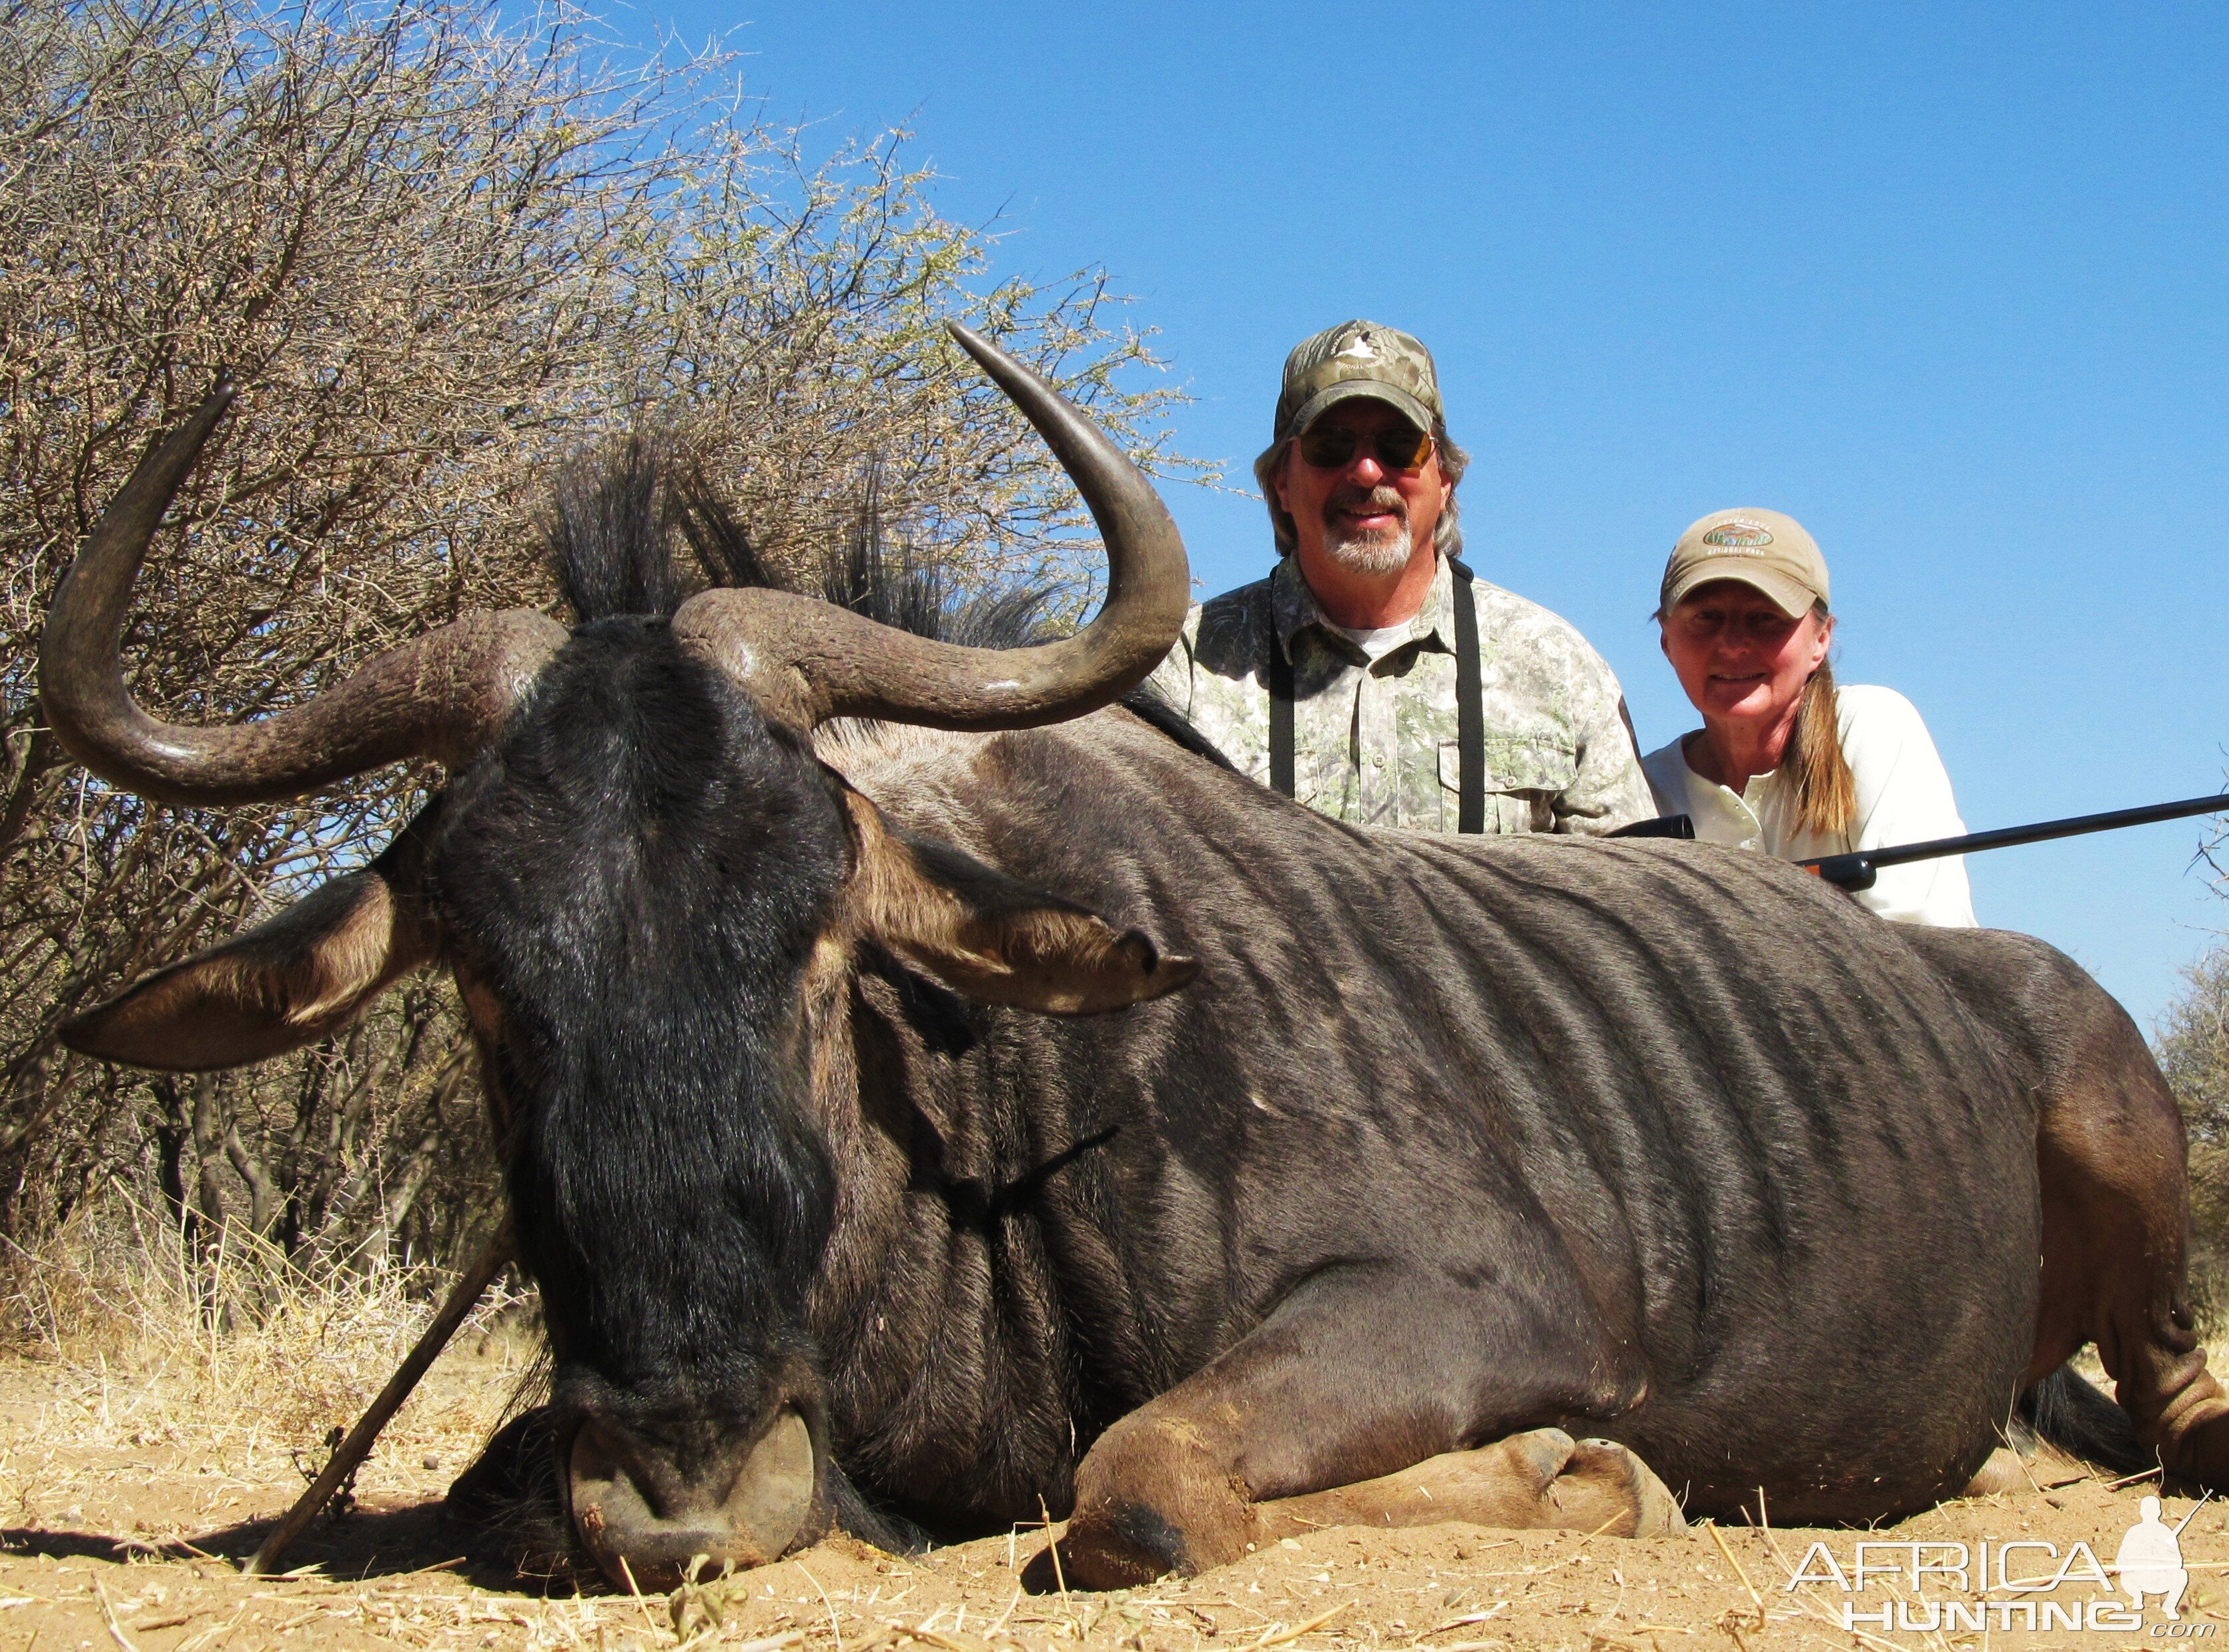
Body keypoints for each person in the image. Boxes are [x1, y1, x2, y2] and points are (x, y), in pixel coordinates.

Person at [1147, 320, 1652, 835]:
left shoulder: (1555, 663)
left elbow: (1632, 894)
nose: (1366, 471)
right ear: (1281, 483)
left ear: (1445, 481)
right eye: (1330, 444)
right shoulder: (1181, 670)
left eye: (1398, 444)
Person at [1639, 508, 1976, 926]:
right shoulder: (1644, 789)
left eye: (1765, 619)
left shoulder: (1872, 726)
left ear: (1822, 639)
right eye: (1706, 618)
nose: (1732, 645)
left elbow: (1919, 939)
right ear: (1667, 642)